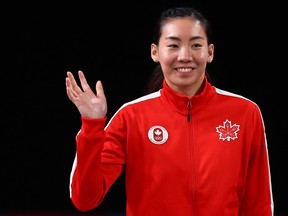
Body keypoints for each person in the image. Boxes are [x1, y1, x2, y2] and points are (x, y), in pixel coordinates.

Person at [65, 6, 274, 216]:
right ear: (155, 52)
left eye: (195, 45)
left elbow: (259, 203)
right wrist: (92, 125)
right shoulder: (131, 117)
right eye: (173, 45)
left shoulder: (245, 113)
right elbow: (85, 199)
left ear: (210, 52)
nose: (184, 56)